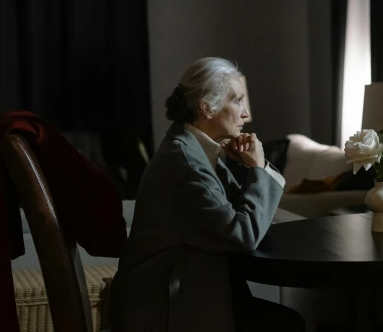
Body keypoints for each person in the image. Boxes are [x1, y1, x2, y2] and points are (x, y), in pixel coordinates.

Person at [109, 57, 304, 332]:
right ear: (207, 108)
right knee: (285, 325)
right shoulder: (185, 162)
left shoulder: (198, 150)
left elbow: (249, 217)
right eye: (237, 100)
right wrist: (257, 168)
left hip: (188, 293)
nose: (245, 113)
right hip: (163, 309)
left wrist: (243, 165)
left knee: (284, 322)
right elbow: (244, 234)